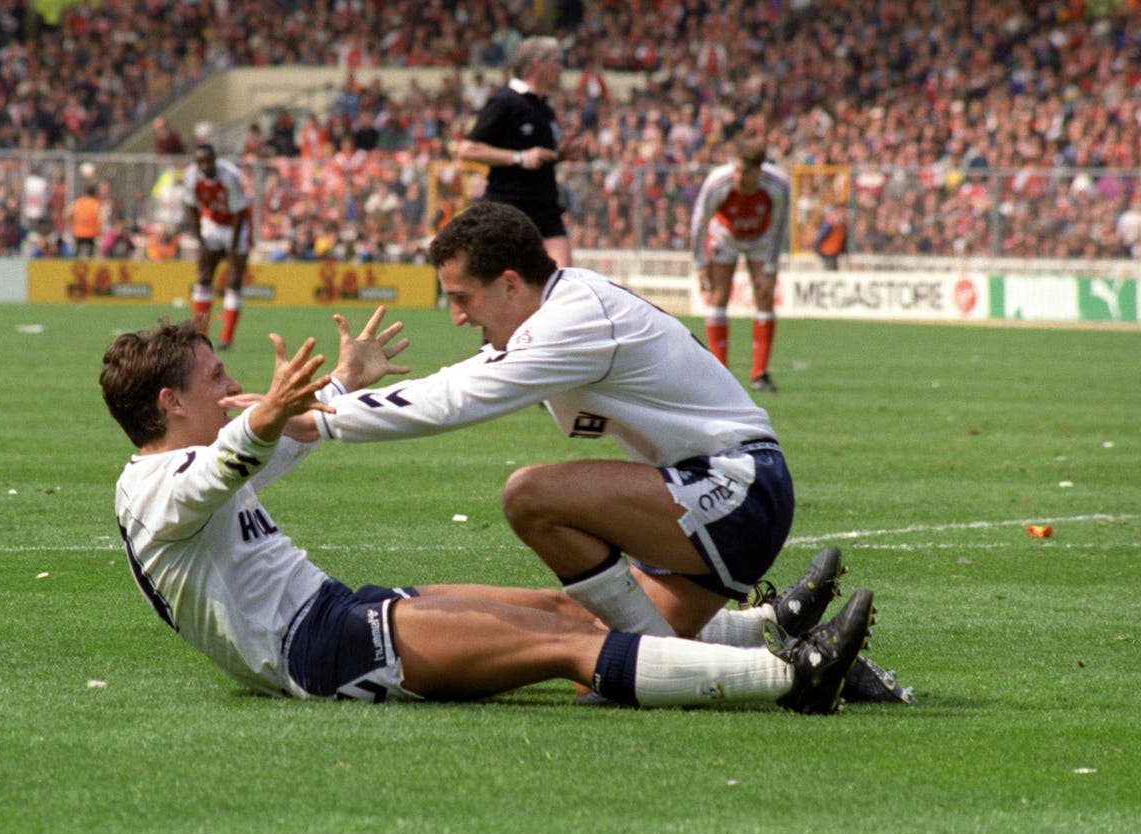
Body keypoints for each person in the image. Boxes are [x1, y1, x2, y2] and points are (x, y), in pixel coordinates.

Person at [99, 307, 874, 713]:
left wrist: (339, 382)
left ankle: (769, 627)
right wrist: (263, 415)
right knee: (562, 649)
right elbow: (225, 465)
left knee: (560, 609)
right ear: (171, 403)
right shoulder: (151, 487)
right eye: (214, 378)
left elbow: (273, 446)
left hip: (340, 610)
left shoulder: (201, 462)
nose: (230, 385)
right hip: (320, 652)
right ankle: (790, 678)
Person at [293, 202, 909, 705]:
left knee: (531, 498)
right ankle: (789, 637)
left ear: (510, 283)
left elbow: (455, 399)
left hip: (733, 488)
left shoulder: (569, 321)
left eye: (463, 297)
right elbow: (458, 379)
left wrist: (316, 418)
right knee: (584, 621)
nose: (456, 316)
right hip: (719, 490)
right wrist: (333, 394)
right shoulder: (562, 307)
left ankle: (672, 669)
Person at [455, 36, 586, 268]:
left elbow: (536, 157)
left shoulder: (543, 105)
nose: (561, 68)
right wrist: (519, 158)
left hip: (545, 209)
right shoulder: (505, 102)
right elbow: (467, 149)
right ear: (537, 64)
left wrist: (559, 155)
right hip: (509, 209)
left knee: (561, 284)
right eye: (557, 61)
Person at [691, 140, 791, 392]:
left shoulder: (777, 185)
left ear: (759, 171)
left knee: (765, 296)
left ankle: (759, 375)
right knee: (719, 295)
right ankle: (719, 374)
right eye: (736, 170)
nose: (738, 176)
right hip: (725, 236)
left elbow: (780, 225)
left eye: (745, 172)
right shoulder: (718, 183)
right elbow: (700, 222)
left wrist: (771, 266)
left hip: (761, 239)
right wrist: (699, 263)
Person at [182, 143, 251, 350]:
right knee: (204, 276)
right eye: (200, 162)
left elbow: (240, 212)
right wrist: (201, 241)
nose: (204, 166)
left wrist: (232, 246)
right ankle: (200, 334)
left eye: (208, 161)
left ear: (214, 160)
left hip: (235, 226)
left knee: (234, 279)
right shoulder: (191, 176)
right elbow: (191, 207)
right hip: (211, 223)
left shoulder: (229, 176)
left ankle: (226, 337)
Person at [68, 185, 102, 258]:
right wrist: (99, 229)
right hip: (91, 233)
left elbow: (66, 214)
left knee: (76, 254)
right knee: (91, 255)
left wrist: (71, 225)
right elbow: (101, 218)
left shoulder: (78, 203)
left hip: (78, 232)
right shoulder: (95, 204)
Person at [814, 207, 848, 271]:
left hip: (834, 252)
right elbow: (820, 237)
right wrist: (817, 248)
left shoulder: (842, 225)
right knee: (829, 270)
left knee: (833, 270)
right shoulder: (830, 224)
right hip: (828, 252)